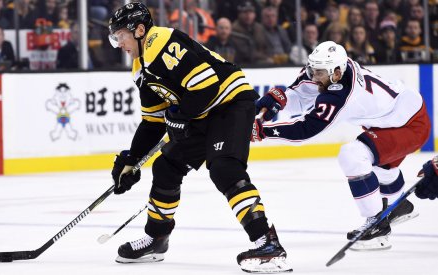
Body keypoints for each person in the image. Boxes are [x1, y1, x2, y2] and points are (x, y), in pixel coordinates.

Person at [107, 2, 292, 273]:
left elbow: (206, 85)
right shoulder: (141, 67)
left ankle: (269, 244)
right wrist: (131, 159)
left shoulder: (161, 41)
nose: (118, 42)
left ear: (140, 30)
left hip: (230, 103)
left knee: (224, 168)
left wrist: (180, 115)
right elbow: (153, 121)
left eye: (120, 35)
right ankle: (157, 238)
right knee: (165, 166)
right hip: (203, 113)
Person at [252, 41, 430, 251]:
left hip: (410, 125)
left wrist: (265, 131)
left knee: (353, 156)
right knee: (378, 168)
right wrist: (280, 100)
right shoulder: (330, 71)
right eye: (312, 70)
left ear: (336, 73)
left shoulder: (342, 94)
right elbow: (301, 95)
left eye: (319, 73)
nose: (313, 76)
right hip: (394, 118)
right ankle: (398, 205)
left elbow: (306, 129)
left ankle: (377, 224)